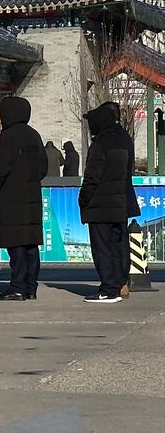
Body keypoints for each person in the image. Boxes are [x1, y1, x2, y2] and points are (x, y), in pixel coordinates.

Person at [79, 103, 140, 303]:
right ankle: (121, 283)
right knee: (118, 246)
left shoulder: (100, 144)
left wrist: (83, 200)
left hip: (100, 205)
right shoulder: (124, 139)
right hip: (120, 202)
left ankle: (108, 289)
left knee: (103, 248)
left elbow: (92, 178)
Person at [0, 96, 47, 301]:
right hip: (32, 199)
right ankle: (31, 288)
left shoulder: (8, 136)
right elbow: (43, 167)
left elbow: (2, 168)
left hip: (12, 199)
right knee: (31, 245)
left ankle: (17, 287)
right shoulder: (34, 135)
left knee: (17, 245)